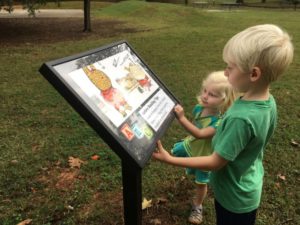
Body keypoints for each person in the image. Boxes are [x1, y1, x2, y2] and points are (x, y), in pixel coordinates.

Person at [152, 24, 294, 225]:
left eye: (231, 67)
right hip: (248, 185)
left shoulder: (241, 119)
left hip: (234, 198)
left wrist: (169, 159)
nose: (226, 73)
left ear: (254, 74)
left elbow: (215, 162)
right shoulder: (268, 102)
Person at [171, 71, 236, 224]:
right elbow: (195, 127)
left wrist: (181, 118)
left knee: (201, 182)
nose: (205, 96)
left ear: (224, 100)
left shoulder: (218, 122)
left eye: (212, 94)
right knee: (175, 154)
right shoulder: (199, 108)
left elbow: (200, 133)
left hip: (205, 156)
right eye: (205, 91)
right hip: (192, 146)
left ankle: (198, 206)